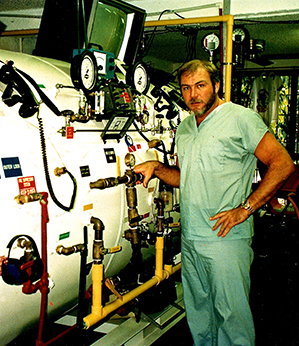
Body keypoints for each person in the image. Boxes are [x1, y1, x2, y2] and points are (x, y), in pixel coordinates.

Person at [134, 60, 295, 346]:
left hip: (226, 239)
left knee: (232, 319)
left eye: (200, 86)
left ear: (216, 86)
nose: (193, 95)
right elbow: (185, 177)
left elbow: (282, 164)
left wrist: (245, 208)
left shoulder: (240, 118)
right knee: (199, 316)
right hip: (192, 238)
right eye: (186, 88)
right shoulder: (184, 128)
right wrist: (156, 167)